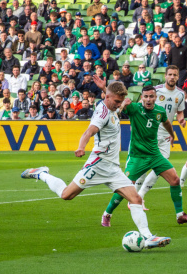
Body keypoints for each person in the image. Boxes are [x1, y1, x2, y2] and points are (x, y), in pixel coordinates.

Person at [21, 81, 170, 249]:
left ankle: (148, 237)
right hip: (97, 166)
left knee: (135, 198)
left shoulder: (111, 105)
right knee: (66, 195)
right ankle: (42, 173)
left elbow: (110, 95)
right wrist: (81, 146)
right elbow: (89, 131)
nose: (119, 105)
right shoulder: (102, 114)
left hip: (113, 169)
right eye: (117, 102)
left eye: (121, 102)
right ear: (108, 98)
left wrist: (105, 87)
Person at [134, 66, 187, 214]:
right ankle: (134, 197)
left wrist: (181, 120)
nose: (172, 77)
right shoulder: (156, 91)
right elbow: (142, 107)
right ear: (165, 76)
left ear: (178, 77)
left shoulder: (180, 94)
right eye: (170, 74)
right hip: (150, 133)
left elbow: (179, 113)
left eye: (175, 75)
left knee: (161, 167)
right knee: (143, 166)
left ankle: (140, 196)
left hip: (166, 135)